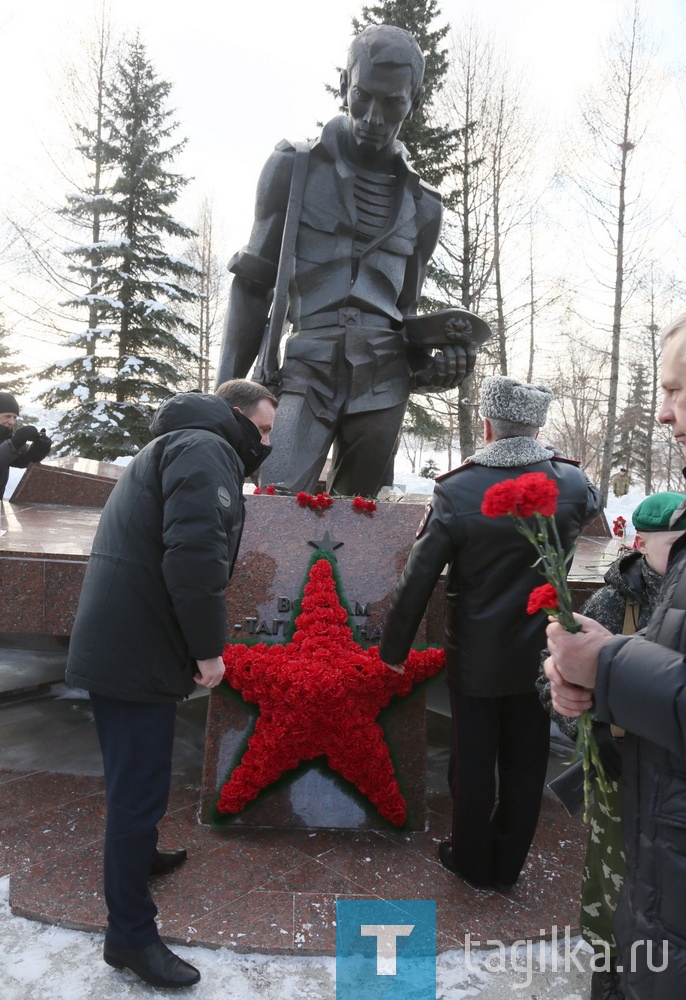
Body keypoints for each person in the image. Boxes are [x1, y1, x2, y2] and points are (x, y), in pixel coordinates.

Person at [215, 24, 490, 497]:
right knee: (273, 505)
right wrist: (222, 401)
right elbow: (253, 283)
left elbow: (404, 318)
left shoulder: (425, 206)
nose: (374, 117)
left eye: (393, 102)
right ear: (345, 84)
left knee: (361, 522)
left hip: (383, 379)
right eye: (363, 96)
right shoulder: (293, 167)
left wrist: (435, 367)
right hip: (304, 370)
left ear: (414, 100)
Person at [64, 380, 278, 989]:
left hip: (130, 641)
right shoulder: (205, 449)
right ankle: (129, 937)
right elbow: (193, 557)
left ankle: (143, 857)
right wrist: (209, 651)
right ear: (236, 416)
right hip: (135, 651)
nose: (265, 443)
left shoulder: (182, 444)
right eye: (262, 430)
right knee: (137, 793)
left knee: (139, 785)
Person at [378, 375, 603, 891]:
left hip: (477, 655)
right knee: (528, 763)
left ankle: (471, 862)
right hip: (547, 651)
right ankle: (508, 865)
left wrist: (394, 649)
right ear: (537, 425)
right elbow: (590, 510)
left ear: (486, 425)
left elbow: (419, 575)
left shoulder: (458, 488)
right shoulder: (570, 482)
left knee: (473, 765)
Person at [545, 311, 686, 1000]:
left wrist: (607, 668)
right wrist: (584, 684)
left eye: (680, 390)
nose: (664, 414)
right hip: (650, 857)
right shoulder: (621, 590)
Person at [0, 391, 52, 499]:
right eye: (7, 416)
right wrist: (16, 442)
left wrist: (39, 449)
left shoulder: (4, 439)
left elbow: (22, 458)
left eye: (14, 417)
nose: (11, 422)